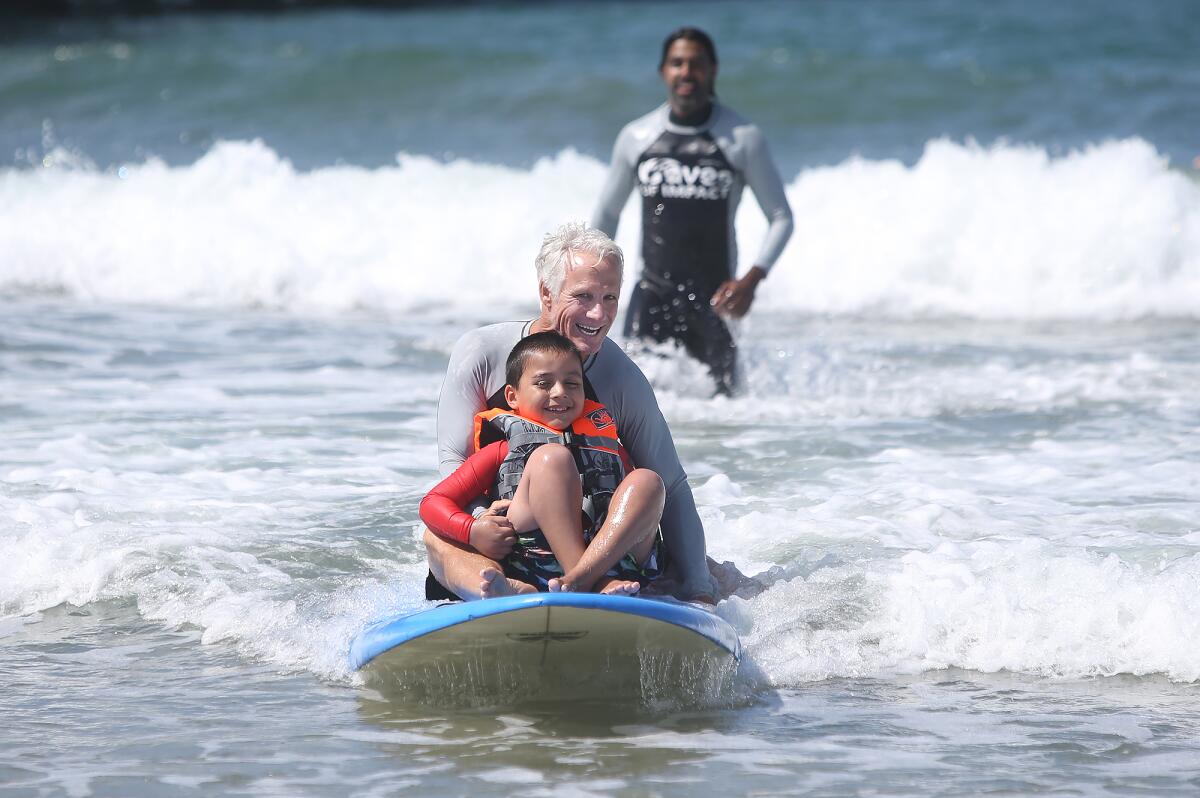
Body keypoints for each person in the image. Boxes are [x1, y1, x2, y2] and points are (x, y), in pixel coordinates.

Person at [424, 221, 720, 603]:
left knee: (653, 490)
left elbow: (672, 486)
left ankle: (589, 581)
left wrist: (699, 590)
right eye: (584, 296)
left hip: (602, 551)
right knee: (437, 538)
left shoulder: (621, 378)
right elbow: (453, 462)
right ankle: (495, 595)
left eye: (610, 297)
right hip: (510, 540)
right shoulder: (481, 354)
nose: (599, 315)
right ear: (547, 294)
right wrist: (479, 524)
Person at [591, 26, 794, 395]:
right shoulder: (637, 137)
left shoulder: (742, 138)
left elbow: (781, 217)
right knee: (627, 403)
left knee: (726, 413)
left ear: (712, 70)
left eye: (696, 63)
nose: (686, 72)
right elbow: (607, 213)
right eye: (677, 63)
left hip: (716, 302)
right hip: (651, 296)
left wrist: (751, 280)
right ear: (663, 72)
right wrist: (594, 281)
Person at [420, 331, 664, 597]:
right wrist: (472, 530)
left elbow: (640, 509)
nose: (560, 393)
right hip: (533, 562)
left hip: (613, 563)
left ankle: (584, 576)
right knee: (552, 459)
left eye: (572, 384)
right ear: (512, 397)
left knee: (647, 480)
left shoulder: (607, 448)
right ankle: (583, 580)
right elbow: (433, 502)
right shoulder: (501, 450)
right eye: (543, 384)